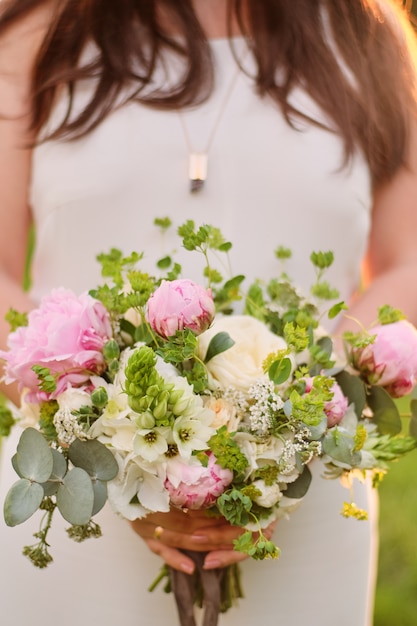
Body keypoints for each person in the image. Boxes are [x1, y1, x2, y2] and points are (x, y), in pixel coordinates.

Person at [1, 1, 417, 625]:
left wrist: (289, 437)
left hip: (304, 510)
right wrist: (100, 431)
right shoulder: (38, 33)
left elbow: (406, 259)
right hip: (73, 496)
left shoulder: (368, 39)